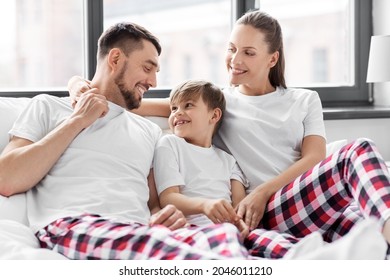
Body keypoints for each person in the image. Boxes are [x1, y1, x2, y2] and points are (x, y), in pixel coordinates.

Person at [68, 11, 390, 259]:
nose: (235, 61)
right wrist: (78, 85)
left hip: (302, 200)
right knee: (356, 150)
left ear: (272, 58)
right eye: (232, 49)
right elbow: (133, 102)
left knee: (369, 235)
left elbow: (315, 157)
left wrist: (262, 191)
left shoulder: (304, 99)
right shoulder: (218, 103)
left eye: (249, 53)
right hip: (266, 214)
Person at [0, 22, 250, 260]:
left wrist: (162, 217)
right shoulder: (49, 107)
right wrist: (78, 120)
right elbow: (7, 179)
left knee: (227, 242)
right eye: (147, 68)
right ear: (116, 59)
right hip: (73, 223)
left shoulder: (149, 131)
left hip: (137, 231)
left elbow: (154, 204)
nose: (153, 82)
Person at [153, 79, 249, 240]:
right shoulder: (169, 143)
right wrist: (205, 205)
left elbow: (239, 205)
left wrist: (240, 223)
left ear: (214, 115)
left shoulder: (228, 160)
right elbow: (168, 198)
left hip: (228, 230)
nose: (177, 112)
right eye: (174, 108)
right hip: (191, 229)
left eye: (188, 105)